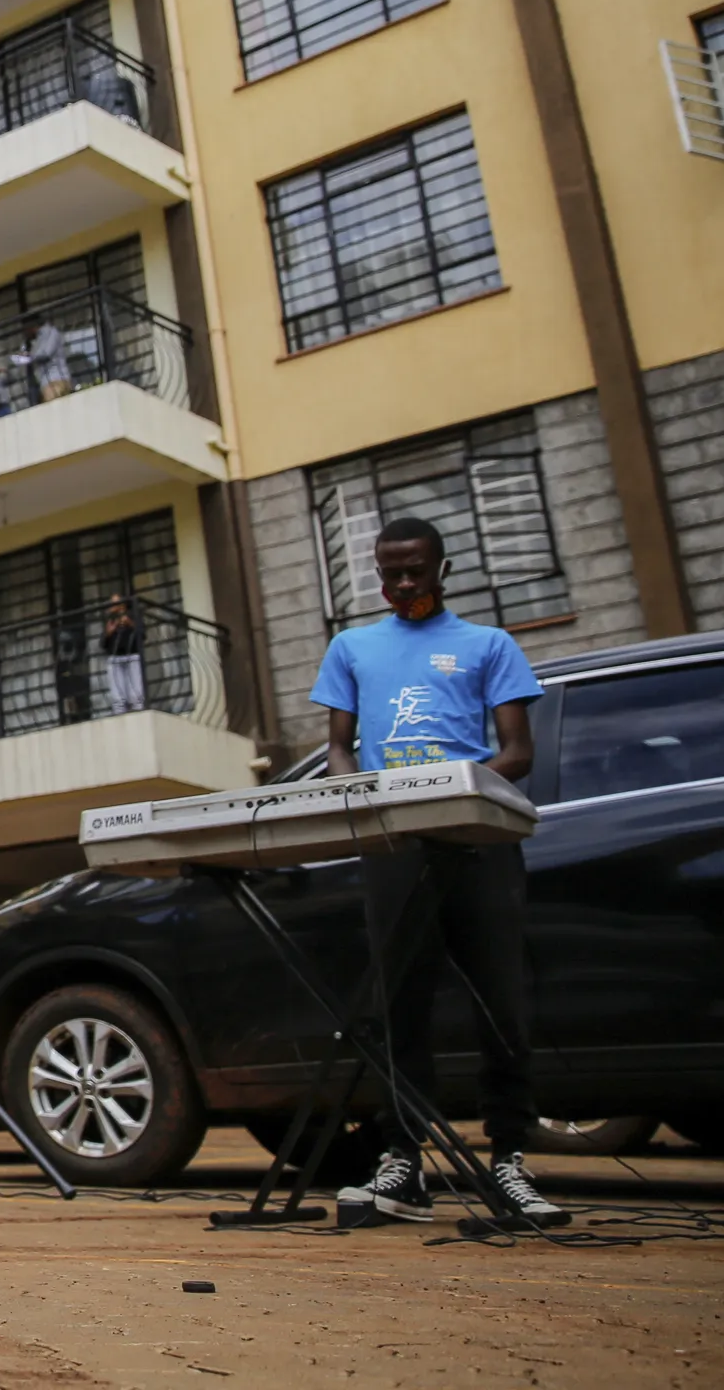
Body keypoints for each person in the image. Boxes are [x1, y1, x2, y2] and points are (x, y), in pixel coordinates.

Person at [314, 518, 567, 1229]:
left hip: (478, 842)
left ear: (442, 568)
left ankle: (509, 1157)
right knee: (399, 1005)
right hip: (394, 848)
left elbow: (517, 751)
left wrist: (449, 793)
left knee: (500, 999)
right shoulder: (351, 648)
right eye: (390, 574)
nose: (403, 585)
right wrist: (365, 797)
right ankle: (403, 1160)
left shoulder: (489, 644)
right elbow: (338, 747)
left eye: (415, 572)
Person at [99, 594, 144, 714]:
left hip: (132, 656)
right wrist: (109, 632)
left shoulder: (133, 615)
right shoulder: (109, 619)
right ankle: (120, 714)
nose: (114, 607)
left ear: (123, 605)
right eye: (112, 604)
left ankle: (138, 713)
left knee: (136, 695)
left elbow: (143, 635)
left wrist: (130, 623)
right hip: (115, 658)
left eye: (116, 603)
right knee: (118, 698)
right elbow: (102, 644)